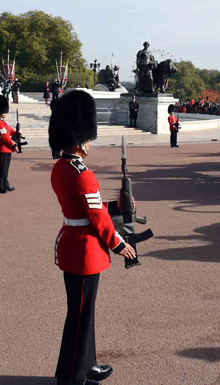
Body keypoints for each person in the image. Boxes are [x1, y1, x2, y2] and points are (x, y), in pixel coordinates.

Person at [48, 90, 135, 385]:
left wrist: (119, 205)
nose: (89, 143)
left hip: (72, 243)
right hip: (86, 251)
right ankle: (73, 377)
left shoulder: (61, 167)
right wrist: (119, 244)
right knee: (80, 316)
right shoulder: (82, 172)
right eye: (87, 137)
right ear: (80, 136)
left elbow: (90, 207)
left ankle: (85, 364)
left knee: (82, 314)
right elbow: (96, 218)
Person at [0, 94, 17, 193]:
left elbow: (10, 131)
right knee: (1, 168)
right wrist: (13, 145)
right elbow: (5, 137)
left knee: (5, 168)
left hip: (6, 147)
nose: (5, 113)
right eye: (3, 111)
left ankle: (5, 184)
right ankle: (0, 186)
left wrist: (17, 132)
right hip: (3, 147)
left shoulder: (4, 122)